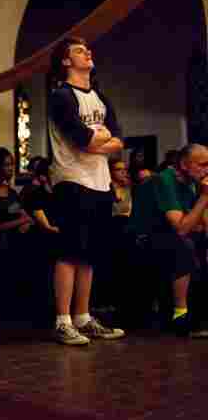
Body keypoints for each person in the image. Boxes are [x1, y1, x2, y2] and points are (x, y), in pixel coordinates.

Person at [46, 36, 125, 345]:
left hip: (100, 180)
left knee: (89, 254)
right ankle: (63, 320)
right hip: (72, 179)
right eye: (79, 50)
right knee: (69, 252)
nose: (87, 52)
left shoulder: (101, 97)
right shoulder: (61, 96)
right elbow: (83, 140)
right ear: (66, 62)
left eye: (87, 49)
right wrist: (101, 139)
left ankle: (83, 317)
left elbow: (118, 141)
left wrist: (102, 139)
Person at [127, 144, 208, 337]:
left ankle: (200, 314)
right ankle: (180, 315)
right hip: (142, 239)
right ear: (184, 164)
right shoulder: (165, 180)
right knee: (182, 244)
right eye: (203, 165)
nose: (207, 170)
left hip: (166, 235)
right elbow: (181, 227)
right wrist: (205, 197)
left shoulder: (192, 183)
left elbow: (199, 223)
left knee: (198, 241)